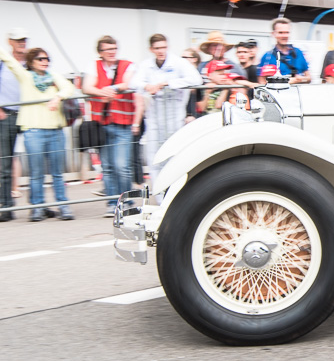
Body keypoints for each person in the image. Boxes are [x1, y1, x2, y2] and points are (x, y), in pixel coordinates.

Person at [0, 43, 76, 221]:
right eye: (40, 59)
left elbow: (68, 88)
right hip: (33, 131)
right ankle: (37, 208)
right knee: (36, 173)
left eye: (47, 58)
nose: (44, 61)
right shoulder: (25, 77)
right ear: (31, 62)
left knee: (58, 172)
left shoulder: (53, 76)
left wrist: (58, 97)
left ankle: (63, 206)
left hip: (55, 131)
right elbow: (8, 59)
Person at [82, 35, 141, 216]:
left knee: (122, 166)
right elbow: (86, 87)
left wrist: (112, 89)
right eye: (108, 49)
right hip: (102, 124)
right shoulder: (94, 66)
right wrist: (102, 92)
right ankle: (112, 203)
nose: (112, 52)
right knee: (107, 167)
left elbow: (129, 82)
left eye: (114, 48)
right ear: (100, 52)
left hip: (123, 124)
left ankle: (127, 201)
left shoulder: (127, 65)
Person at [132, 34, 201, 178]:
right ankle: (160, 198)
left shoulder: (179, 62)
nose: (160, 51)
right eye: (157, 48)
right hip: (154, 119)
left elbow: (196, 79)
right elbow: (133, 83)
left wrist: (167, 83)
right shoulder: (146, 65)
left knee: (175, 156)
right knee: (154, 158)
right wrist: (147, 86)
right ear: (151, 49)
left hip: (175, 118)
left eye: (163, 47)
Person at [0, 28, 28, 222]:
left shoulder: (33, 61)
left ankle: (39, 207)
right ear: (10, 42)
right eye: (18, 40)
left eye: (24, 40)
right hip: (7, 115)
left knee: (36, 161)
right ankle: (6, 206)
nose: (21, 43)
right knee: (5, 163)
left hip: (29, 115)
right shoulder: (3, 63)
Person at [258, 18, 310, 83]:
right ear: (273, 34)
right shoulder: (267, 56)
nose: (284, 36)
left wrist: (300, 79)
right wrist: (286, 81)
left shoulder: (298, 52)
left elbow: (309, 78)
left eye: (287, 32)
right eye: (280, 32)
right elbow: (262, 82)